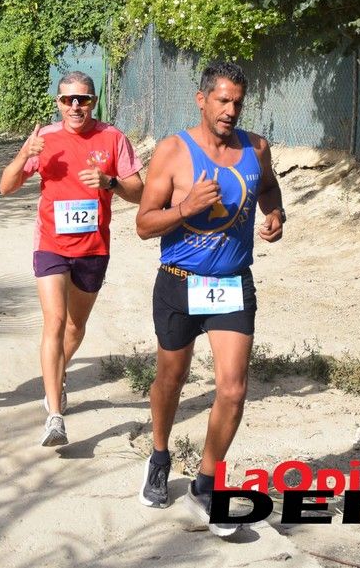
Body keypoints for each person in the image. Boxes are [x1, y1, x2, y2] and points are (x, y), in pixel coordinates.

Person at [134, 61, 285, 537]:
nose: (230, 110)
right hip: (179, 281)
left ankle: (206, 482)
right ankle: (159, 456)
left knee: (234, 388)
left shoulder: (256, 148)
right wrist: (186, 208)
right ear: (201, 99)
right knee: (171, 379)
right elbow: (143, 224)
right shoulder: (173, 152)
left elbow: (268, 186)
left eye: (238, 101)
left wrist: (276, 214)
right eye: (222, 100)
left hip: (232, 284)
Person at [0, 71, 144, 447]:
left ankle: (55, 376)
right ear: (58, 103)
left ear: (94, 101)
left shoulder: (113, 138)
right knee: (55, 321)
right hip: (51, 245)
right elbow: (5, 186)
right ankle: (55, 414)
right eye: (67, 100)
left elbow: (140, 192)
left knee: (75, 329)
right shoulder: (43, 139)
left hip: (93, 248)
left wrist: (110, 182)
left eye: (83, 99)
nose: (75, 106)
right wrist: (22, 155)